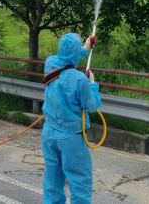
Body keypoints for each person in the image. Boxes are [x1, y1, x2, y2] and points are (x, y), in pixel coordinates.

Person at [41, 33, 101, 204]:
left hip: (49, 133)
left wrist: (85, 48)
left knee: (53, 176)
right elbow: (91, 105)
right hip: (71, 138)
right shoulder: (80, 80)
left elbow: (67, 60)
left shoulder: (50, 63)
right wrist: (92, 84)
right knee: (79, 179)